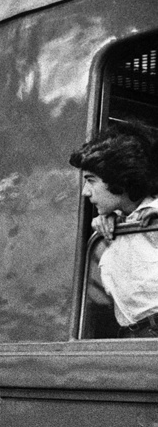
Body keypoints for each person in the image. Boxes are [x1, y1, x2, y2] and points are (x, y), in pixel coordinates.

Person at [69, 121, 158, 337]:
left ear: (119, 178)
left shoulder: (152, 217)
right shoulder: (116, 224)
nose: (85, 192)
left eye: (91, 181)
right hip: (132, 333)